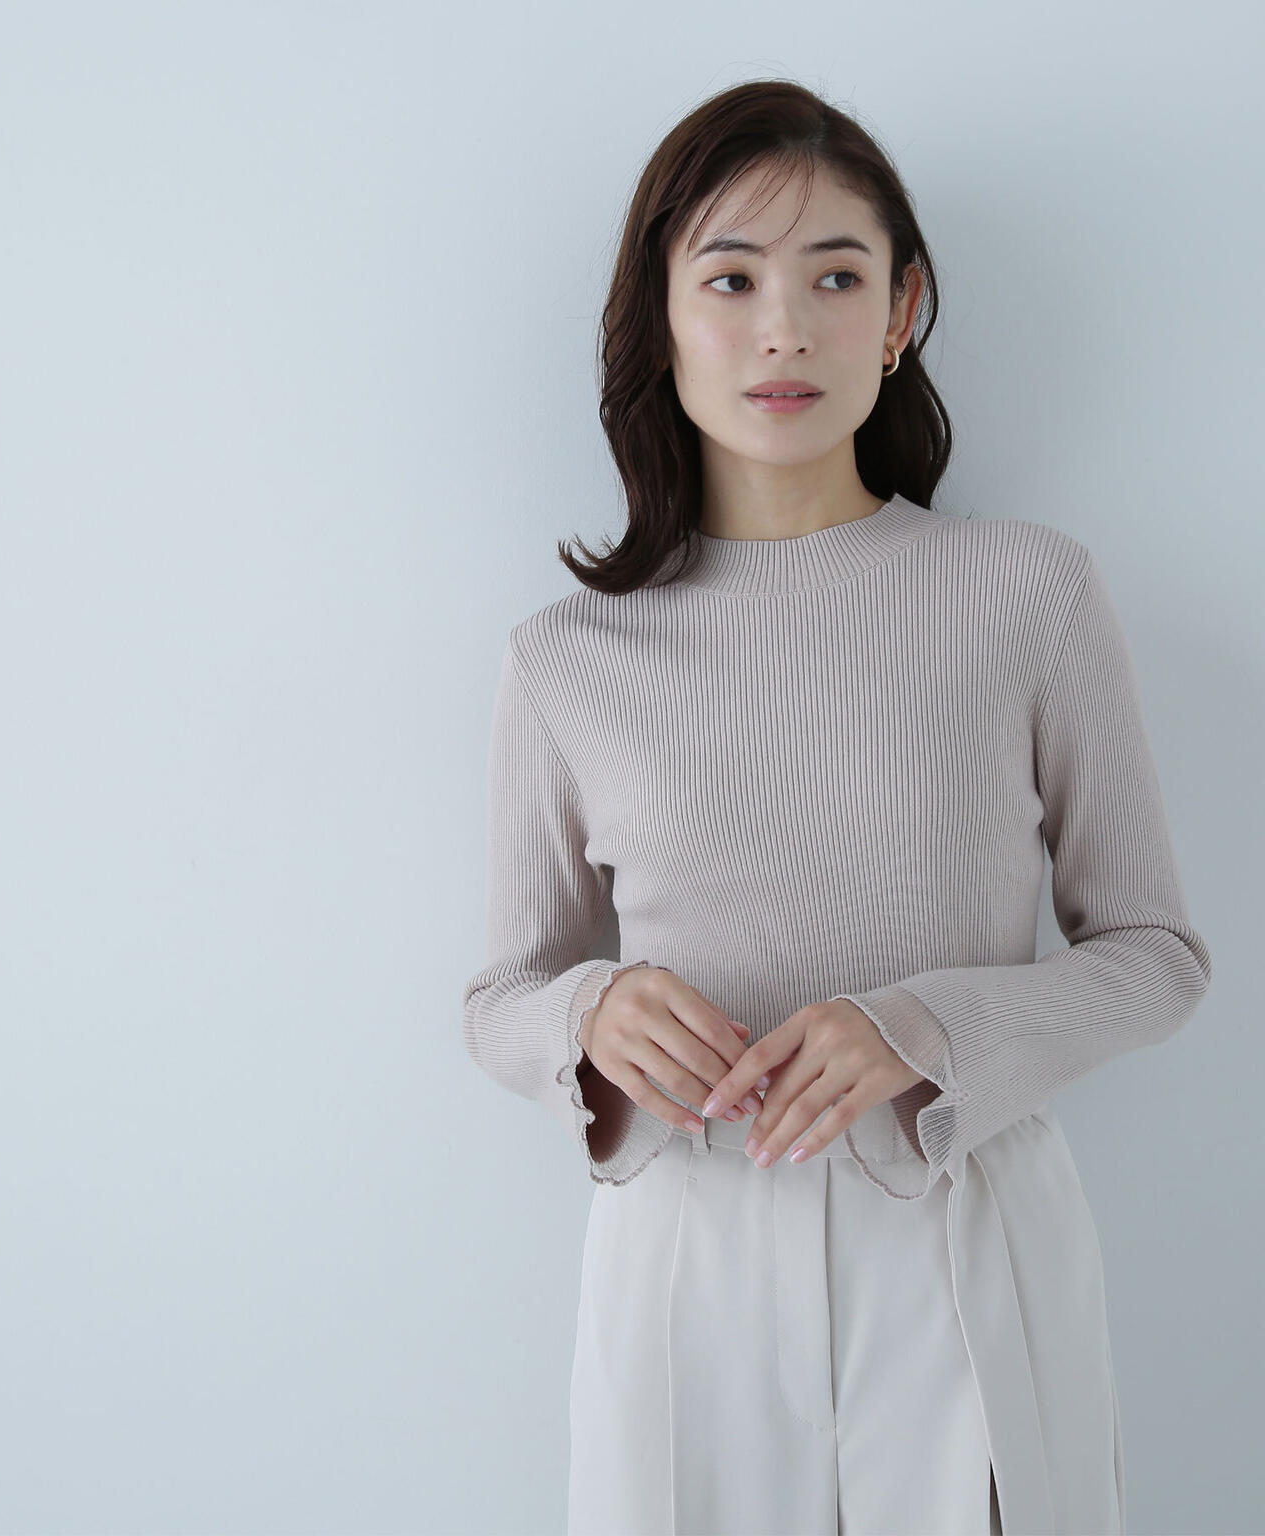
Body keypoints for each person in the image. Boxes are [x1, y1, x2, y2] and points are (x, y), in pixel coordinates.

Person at [461, 78, 1212, 1536]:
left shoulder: (1027, 591)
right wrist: (593, 1014)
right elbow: (503, 995)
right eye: (731, 278)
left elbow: (1156, 956)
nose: (785, 329)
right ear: (661, 314)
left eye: (837, 277)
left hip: (964, 1231)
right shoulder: (567, 656)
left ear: (901, 310)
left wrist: (926, 1026)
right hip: (687, 1260)